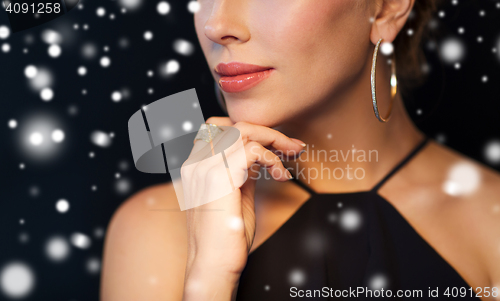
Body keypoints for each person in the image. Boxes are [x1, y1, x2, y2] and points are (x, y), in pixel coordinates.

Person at [100, 0, 500, 300]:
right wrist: (208, 278)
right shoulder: (157, 229)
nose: (217, 24)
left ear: (386, 9)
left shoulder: (491, 222)